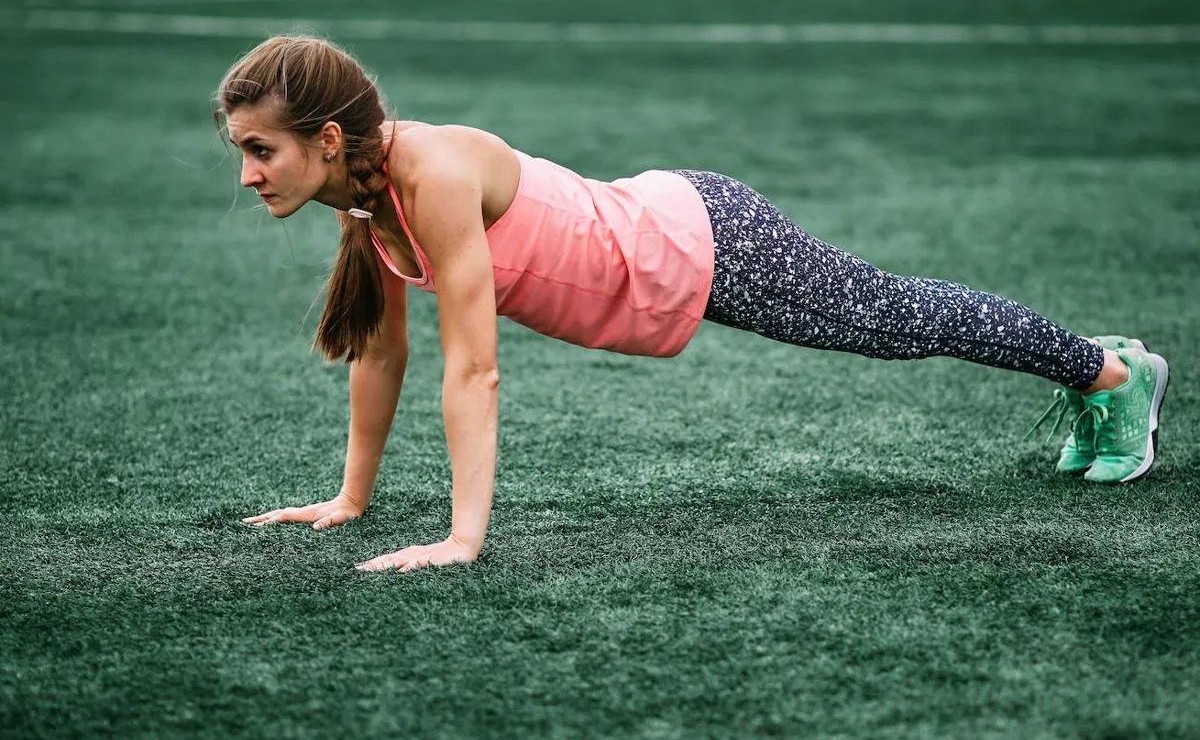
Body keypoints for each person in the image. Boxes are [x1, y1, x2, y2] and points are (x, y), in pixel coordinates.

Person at [217, 36, 1170, 574]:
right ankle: (1096, 366)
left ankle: (1114, 374)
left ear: (329, 137)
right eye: (242, 150)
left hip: (700, 242)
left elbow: (475, 364)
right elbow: (382, 355)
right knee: (893, 317)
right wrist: (350, 498)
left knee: (892, 318)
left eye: (261, 148)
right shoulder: (364, 199)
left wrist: (464, 539)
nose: (248, 172)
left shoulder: (432, 172)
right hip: (665, 233)